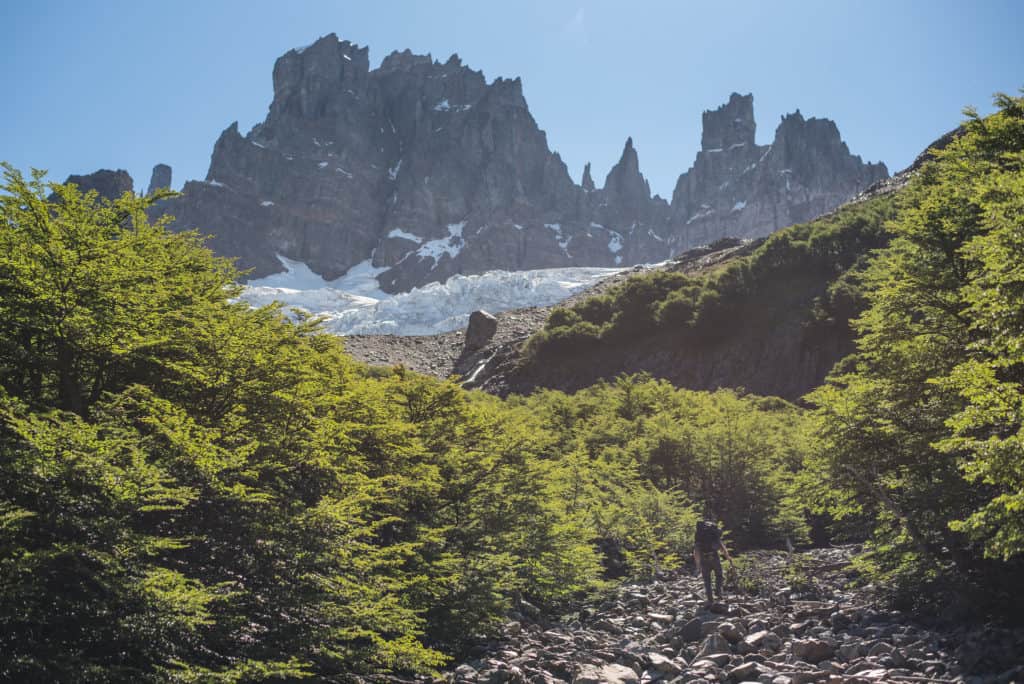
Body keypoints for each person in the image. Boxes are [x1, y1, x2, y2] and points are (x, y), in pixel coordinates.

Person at [694, 519, 733, 602]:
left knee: (707, 579)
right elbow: (722, 548)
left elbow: (696, 551)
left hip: (704, 558)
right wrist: (728, 557)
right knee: (719, 575)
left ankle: (710, 599)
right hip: (714, 557)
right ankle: (718, 593)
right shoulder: (714, 536)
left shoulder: (699, 537)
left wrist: (698, 564)